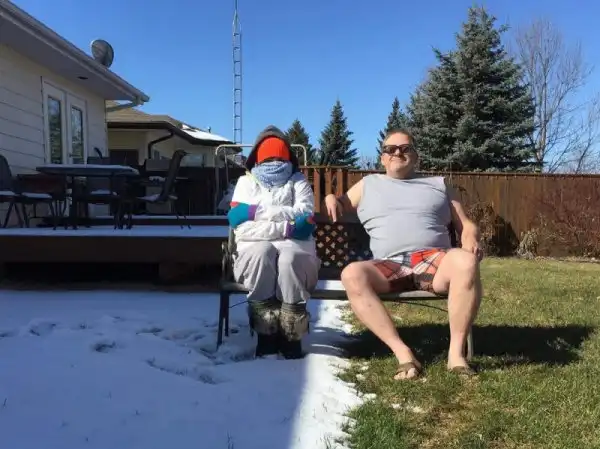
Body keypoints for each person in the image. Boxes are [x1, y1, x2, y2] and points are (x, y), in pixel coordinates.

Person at [324, 129, 482, 379]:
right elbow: (341, 204)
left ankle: (456, 356)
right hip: (388, 264)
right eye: (390, 149)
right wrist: (332, 197)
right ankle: (403, 354)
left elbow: (465, 223)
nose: (397, 153)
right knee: (352, 274)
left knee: (466, 261)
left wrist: (470, 236)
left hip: (435, 259)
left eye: (405, 148)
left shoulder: (439, 184)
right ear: (382, 158)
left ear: (416, 156)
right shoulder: (367, 184)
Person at [227, 125, 320, 359]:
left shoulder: (298, 181)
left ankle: (292, 335)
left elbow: (306, 217)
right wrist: (288, 227)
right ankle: (265, 334)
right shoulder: (245, 183)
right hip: (254, 250)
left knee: (290, 258)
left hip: (298, 251)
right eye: (269, 158)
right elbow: (241, 227)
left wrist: (255, 212)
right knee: (261, 252)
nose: (275, 163)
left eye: (279, 157)